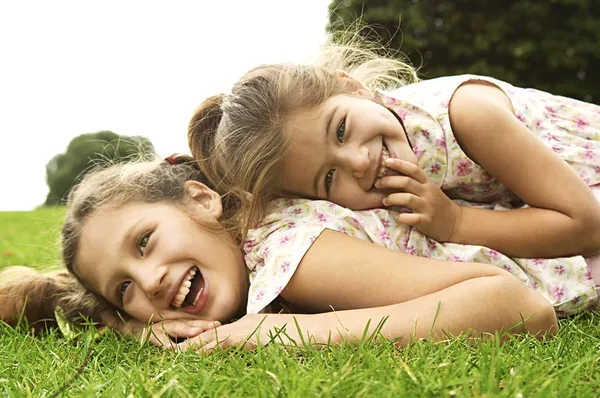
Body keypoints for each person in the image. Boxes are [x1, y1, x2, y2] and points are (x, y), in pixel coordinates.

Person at [0, 155, 559, 352]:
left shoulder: (289, 251)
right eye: (124, 286)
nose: (147, 281)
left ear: (201, 198)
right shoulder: (240, 260)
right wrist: (125, 324)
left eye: (145, 241)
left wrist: (270, 334)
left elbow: (519, 307)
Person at [188, 33, 600, 263]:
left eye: (342, 129)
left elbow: (587, 225)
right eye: (328, 177)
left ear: (354, 87)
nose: (359, 162)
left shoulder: (467, 114)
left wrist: (455, 223)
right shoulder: (377, 193)